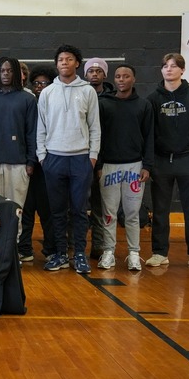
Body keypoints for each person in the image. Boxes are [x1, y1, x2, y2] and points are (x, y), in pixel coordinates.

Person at [37, 44, 100, 274]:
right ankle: (61, 253)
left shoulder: (88, 91)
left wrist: (92, 157)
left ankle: (80, 254)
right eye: (61, 59)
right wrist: (43, 156)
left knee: (80, 210)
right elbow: (40, 127)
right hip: (53, 159)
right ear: (57, 64)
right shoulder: (47, 92)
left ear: (77, 63)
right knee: (57, 211)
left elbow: (95, 127)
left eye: (69, 59)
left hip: (81, 159)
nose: (64, 62)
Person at [146, 52, 189, 270]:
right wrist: (151, 160)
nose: (169, 69)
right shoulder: (153, 99)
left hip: (188, 160)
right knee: (160, 210)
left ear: (182, 70)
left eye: (174, 66)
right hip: (161, 162)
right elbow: (148, 133)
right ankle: (159, 253)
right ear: (161, 70)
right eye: (165, 65)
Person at [96, 63, 154, 271]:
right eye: (118, 76)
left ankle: (133, 253)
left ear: (133, 79)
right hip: (109, 166)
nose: (121, 79)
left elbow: (149, 138)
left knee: (132, 213)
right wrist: (99, 164)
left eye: (126, 76)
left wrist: (146, 165)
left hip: (134, 166)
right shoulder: (104, 104)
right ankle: (109, 252)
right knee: (109, 213)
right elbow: (97, 136)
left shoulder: (144, 105)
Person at [0, 56, 37, 208]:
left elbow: (32, 132)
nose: (5, 74)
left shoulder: (28, 99)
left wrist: (31, 161)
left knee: (15, 209)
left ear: (17, 73)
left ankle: (16, 233)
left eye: (9, 70)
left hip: (18, 163)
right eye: (2, 70)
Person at [17, 65, 56, 263]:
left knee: (47, 209)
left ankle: (50, 249)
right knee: (26, 208)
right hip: (28, 162)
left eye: (44, 83)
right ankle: (24, 248)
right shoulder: (29, 102)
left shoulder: (54, 103)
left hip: (49, 163)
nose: (40, 87)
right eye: (37, 83)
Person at [83, 57, 115, 259]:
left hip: (105, 159)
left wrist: (100, 160)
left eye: (98, 71)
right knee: (76, 205)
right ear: (85, 74)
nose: (94, 74)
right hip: (81, 157)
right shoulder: (80, 94)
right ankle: (73, 246)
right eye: (91, 71)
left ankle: (99, 246)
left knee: (100, 205)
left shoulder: (112, 99)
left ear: (104, 74)